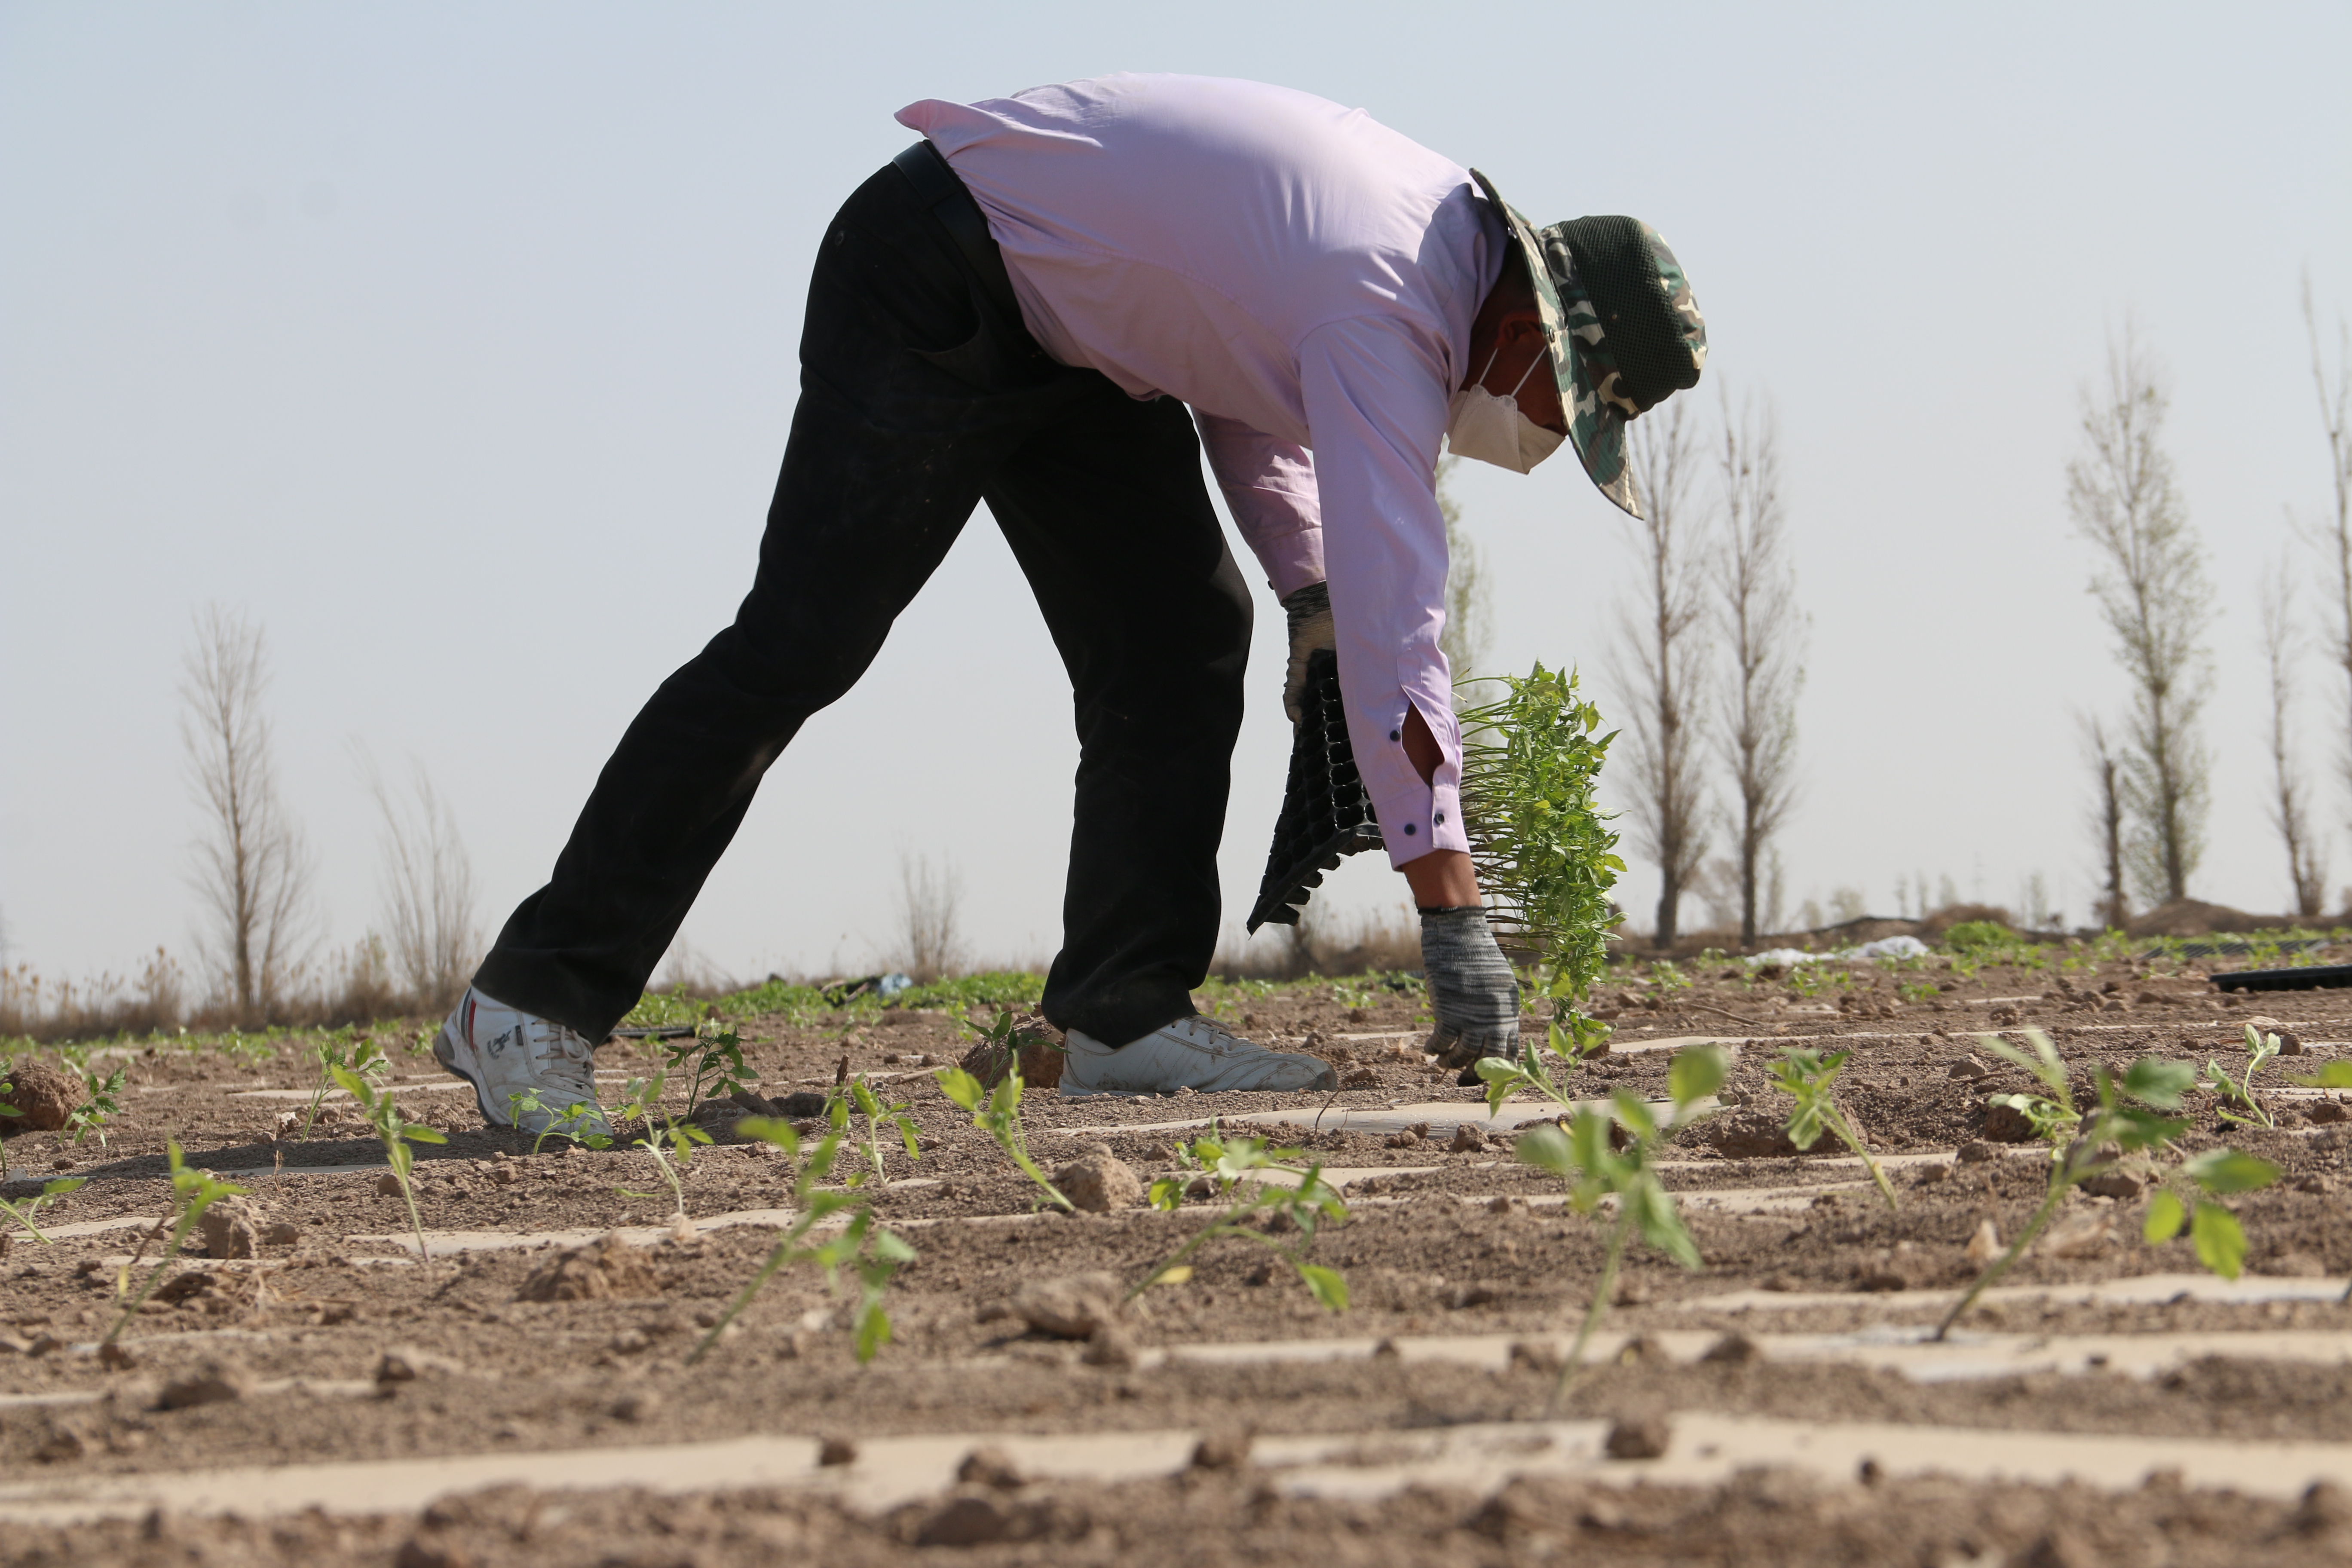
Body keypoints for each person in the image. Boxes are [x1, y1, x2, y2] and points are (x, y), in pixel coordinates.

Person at [432, 73, 1707, 1134]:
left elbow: (1233, 367)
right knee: (800, 642)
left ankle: (1120, 1015)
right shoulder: (1393, 300)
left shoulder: (1419, 250)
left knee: (1179, 637)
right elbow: (1402, 630)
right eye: (1570, 411)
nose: (1546, 437)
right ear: (1539, 339)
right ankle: (530, 1005)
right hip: (938, 268)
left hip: (1081, 336)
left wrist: (1305, 587)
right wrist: (1454, 914)